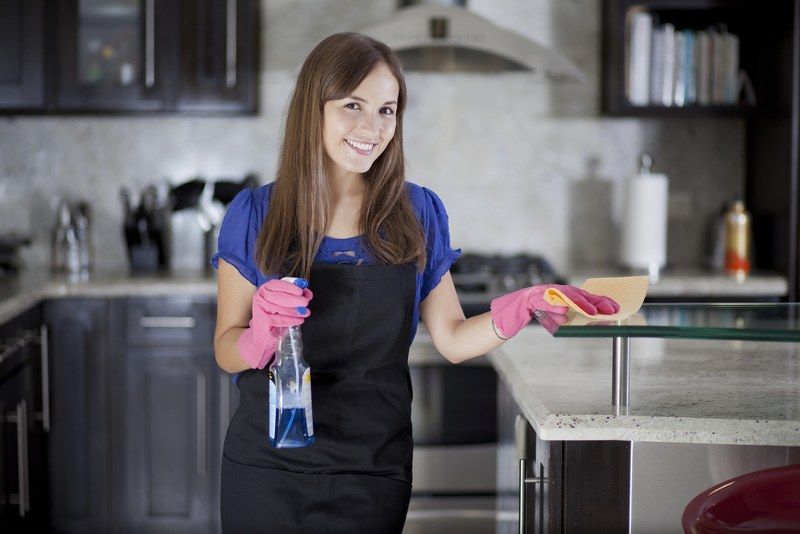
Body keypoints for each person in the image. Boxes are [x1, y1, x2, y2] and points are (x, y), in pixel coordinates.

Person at [211, 32, 619, 534]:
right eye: (353, 105)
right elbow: (226, 348)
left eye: (387, 110)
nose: (372, 127)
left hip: (373, 467)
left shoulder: (415, 212)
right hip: (267, 466)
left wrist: (524, 306)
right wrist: (257, 337)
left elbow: (451, 338)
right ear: (312, 108)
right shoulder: (255, 214)